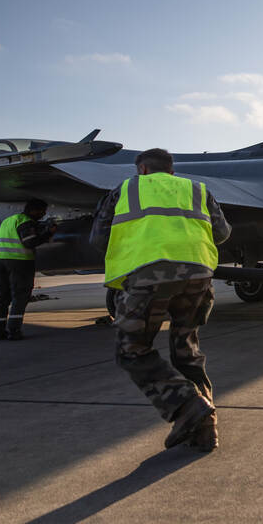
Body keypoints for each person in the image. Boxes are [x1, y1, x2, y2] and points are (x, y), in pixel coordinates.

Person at [90, 148, 231, 452]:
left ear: (142, 169)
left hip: (148, 275)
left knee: (131, 350)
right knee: (186, 350)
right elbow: (222, 233)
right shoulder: (198, 189)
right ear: (171, 171)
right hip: (198, 275)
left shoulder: (125, 189)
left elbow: (98, 239)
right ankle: (205, 427)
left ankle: (188, 405)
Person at [0, 198, 56, 340]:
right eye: (42, 212)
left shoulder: (8, 220)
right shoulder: (25, 222)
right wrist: (48, 233)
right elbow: (29, 242)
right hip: (19, 262)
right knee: (20, 296)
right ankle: (14, 330)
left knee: (2, 297)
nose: (43, 214)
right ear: (34, 210)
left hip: (0, 261)